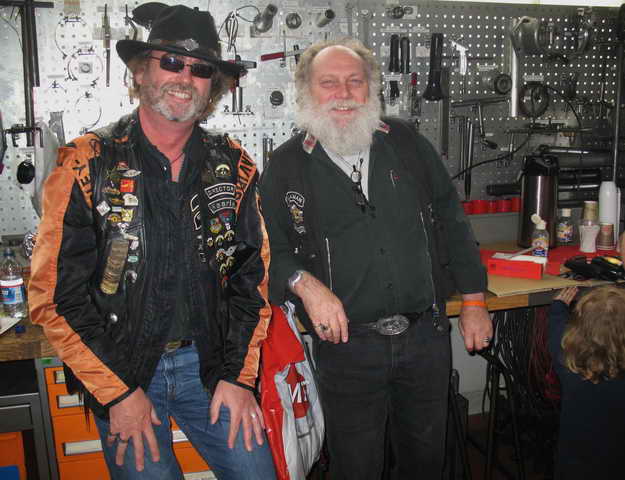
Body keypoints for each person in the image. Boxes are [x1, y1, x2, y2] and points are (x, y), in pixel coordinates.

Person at [28, 5, 276, 479]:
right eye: (171, 62)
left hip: (210, 366)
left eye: (201, 69)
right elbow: (54, 298)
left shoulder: (234, 165)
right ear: (140, 71)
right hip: (121, 369)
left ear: (212, 87)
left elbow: (252, 282)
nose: (185, 78)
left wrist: (239, 378)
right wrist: (118, 393)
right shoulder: (85, 163)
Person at [259, 38, 492, 479]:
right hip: (346, 348)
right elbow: (270, 250)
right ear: (306, 91)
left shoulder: (406, 144)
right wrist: (304, 284)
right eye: (329, 83)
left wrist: (475, 300)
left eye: (355, 81)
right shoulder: (287, 166)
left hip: (425, 340)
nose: (344, 93)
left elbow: (452, 221)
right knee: (356, 468)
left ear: (372, 88)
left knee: (426, 464)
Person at [548, 286, 625, 480]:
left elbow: (556, 327)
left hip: (574, 465)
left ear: (578, 327)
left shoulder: (567, 362)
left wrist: (558, 305)